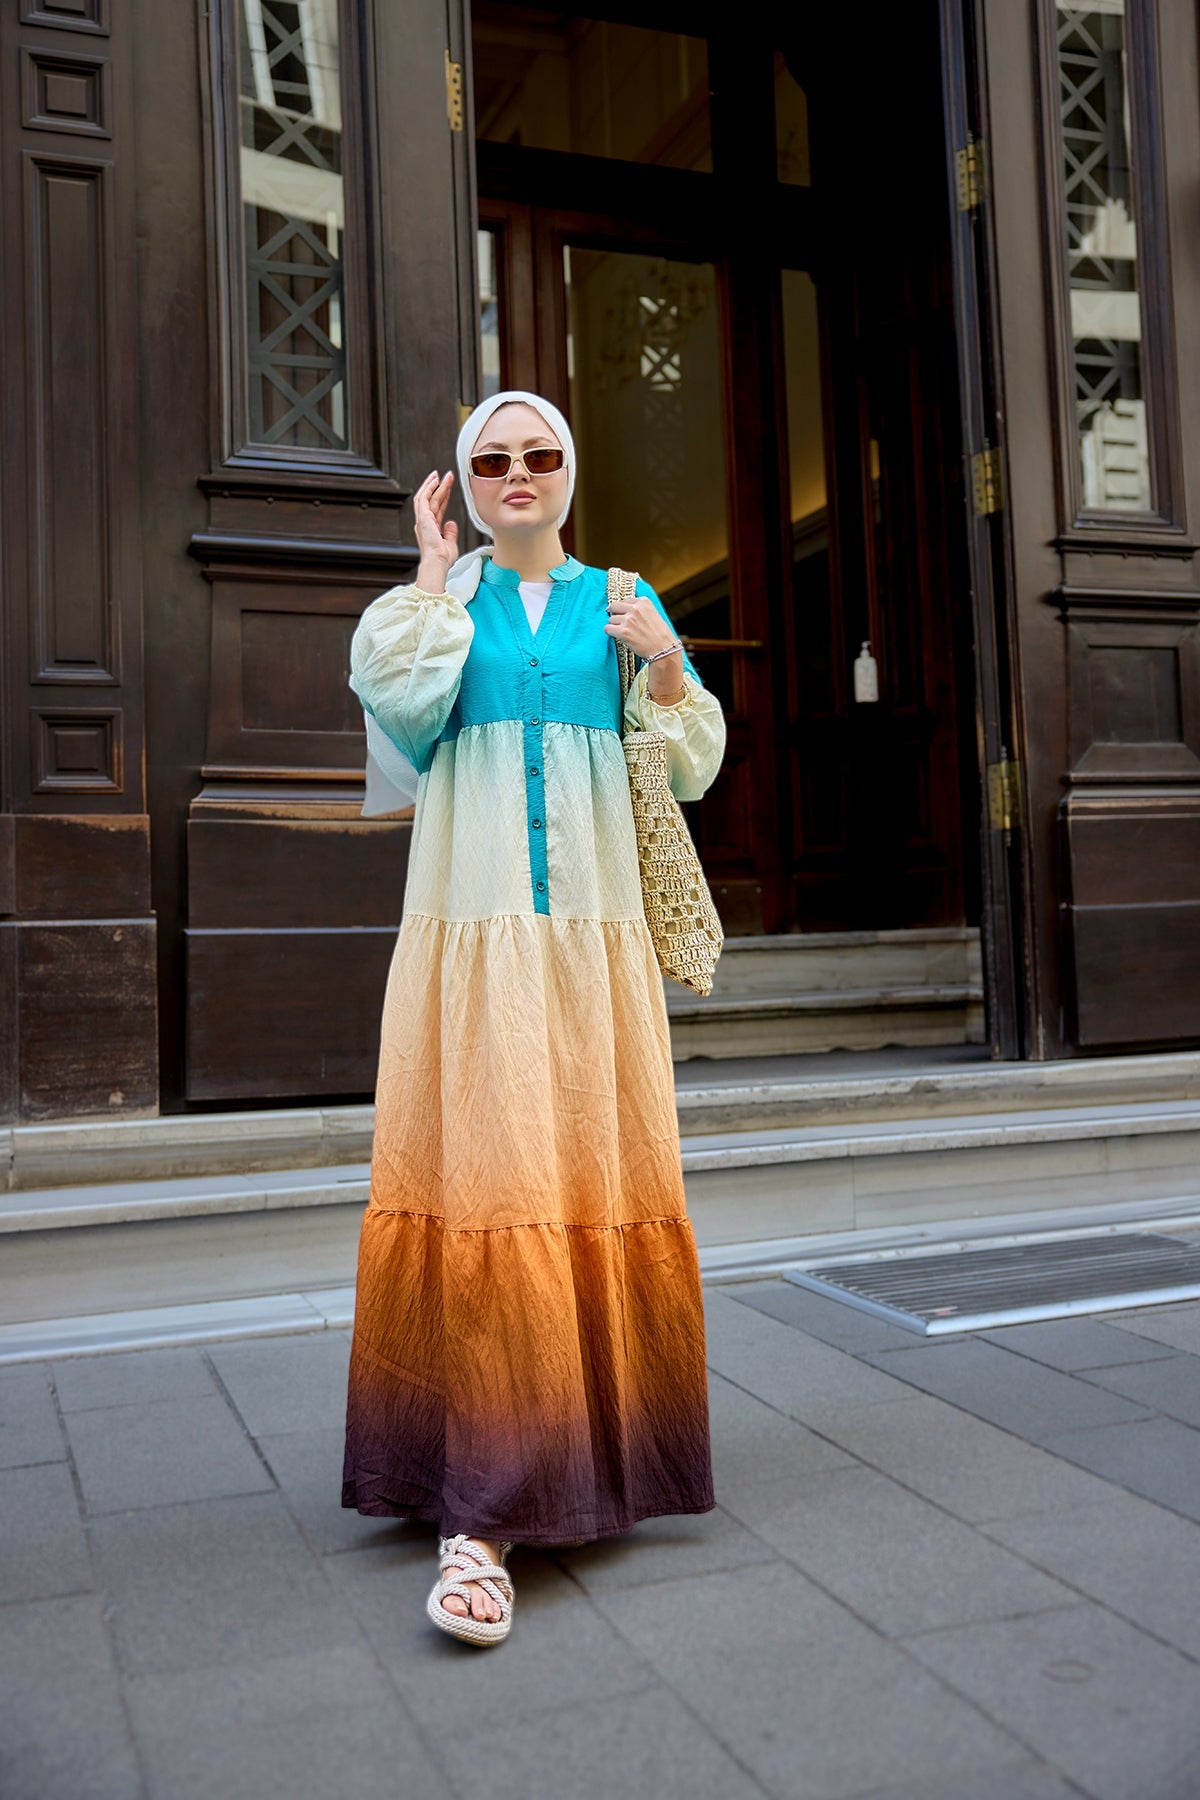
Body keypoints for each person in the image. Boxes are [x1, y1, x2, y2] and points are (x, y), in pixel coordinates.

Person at [341, 389, 726, 1646]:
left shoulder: (622, 597)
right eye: (494, 458)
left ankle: (599, 1462)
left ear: (571, 470)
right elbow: (394, 717)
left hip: (595, 945)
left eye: (542, 453)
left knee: (586, 1174)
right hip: (476, 941)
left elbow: (687, 761)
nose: (519, 472)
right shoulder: (442, 610)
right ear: (467, 477)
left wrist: (662, 656)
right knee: (499, 1188)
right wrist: (428, 580)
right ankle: (485, 1508)